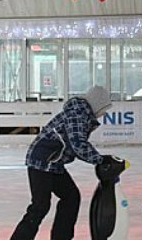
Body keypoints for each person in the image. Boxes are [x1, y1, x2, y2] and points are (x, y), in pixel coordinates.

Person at [10, 86, 124, 240]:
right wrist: (100, 159)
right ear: (97, 104)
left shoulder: (81, 114)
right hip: (42, 162)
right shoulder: (77, 114)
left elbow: (75, 145)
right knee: (40, 206)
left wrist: (98, 158)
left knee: (71, 196)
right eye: (103, 109)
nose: (103, 113)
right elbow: (77, 143)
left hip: (53, 164)